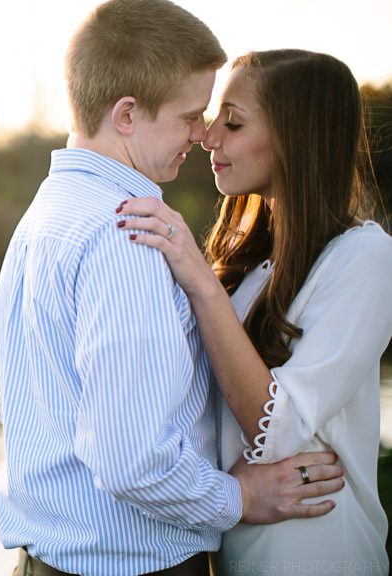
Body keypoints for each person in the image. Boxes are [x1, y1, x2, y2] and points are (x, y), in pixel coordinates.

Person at [0, 1, 344, 574]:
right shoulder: (125, 234)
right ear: (127, 114)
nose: (203, 134)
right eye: (190, 116)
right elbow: (134, 462)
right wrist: (243, 498)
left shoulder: (44, 215)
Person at [118, 49, 392, 573]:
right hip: (237, 551)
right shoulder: (247, 261)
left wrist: (198, 280)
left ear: (295, 138)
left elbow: (276, 431)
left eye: (233, 122)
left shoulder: (365, 258)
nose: (208, 135)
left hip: (318, 552)